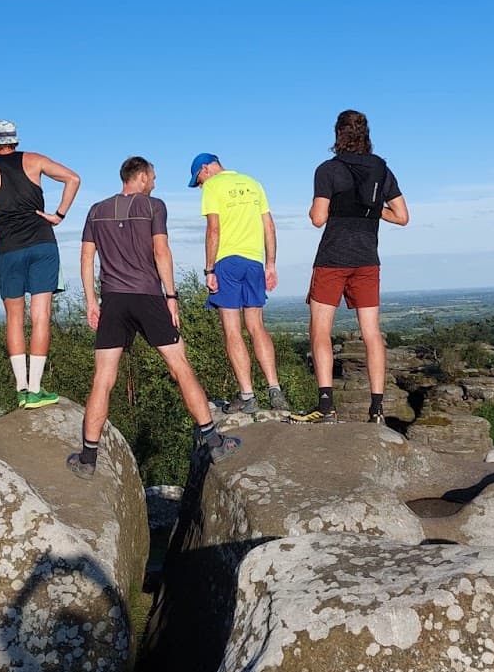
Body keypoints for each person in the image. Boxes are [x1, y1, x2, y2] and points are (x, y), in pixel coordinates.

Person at [70, 157, 238, 479]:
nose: (156, 183)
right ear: (143, 177)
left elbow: (86, 257)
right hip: (148, 297)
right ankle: (213, 441)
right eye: (154, 177)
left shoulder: (95, 210)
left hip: (114, 300)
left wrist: (92, 301)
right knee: (180, 366)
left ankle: (88, 459)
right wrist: (171, 297)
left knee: (103, 380)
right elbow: (161, 251)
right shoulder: (153, 206)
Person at [291, 109, 410, 426]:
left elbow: (318, 218)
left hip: (332, 259)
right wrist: (371, 209)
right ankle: (377, 409)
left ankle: (326, 405)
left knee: (320, 330)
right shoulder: (381, 169)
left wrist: (338, 206)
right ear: (366, 134)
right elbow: (402, 216)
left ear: (337, 134)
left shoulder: (328, 170)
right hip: (367, 259)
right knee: (372, 332)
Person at [0, 119, 81, 409]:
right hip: (43, 243)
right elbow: (73, 178)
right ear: (15, 141)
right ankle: (36, 388)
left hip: (9, 248)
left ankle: (21, 390)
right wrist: (59, 215)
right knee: (40, 316)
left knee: (14, 318)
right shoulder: (34, 160)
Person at [187, 153, 288, 414]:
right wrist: (271, 264)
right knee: (256, 326)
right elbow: (270, 227)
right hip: (254, 261)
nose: (199, 185)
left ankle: (247, 396)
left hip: (227, 261)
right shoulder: (253, 183)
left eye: (198, 179)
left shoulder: (212, 186)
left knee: (233, 330)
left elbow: (213, 229)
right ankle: (275, 390)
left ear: (206, 168)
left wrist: (209, 269)